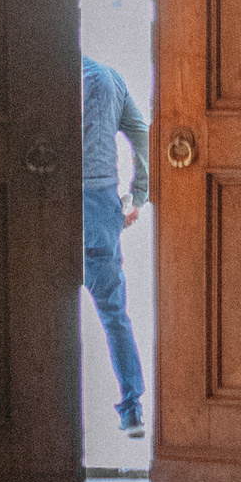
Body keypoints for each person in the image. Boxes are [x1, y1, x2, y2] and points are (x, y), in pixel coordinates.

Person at [80, 50, 150, 440]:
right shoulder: (108, 78)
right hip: (99, 205)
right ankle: (131, 410)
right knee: (113, 313)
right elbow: (142, 137)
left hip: (44, 201)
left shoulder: (37, 81)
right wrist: (137, 196)